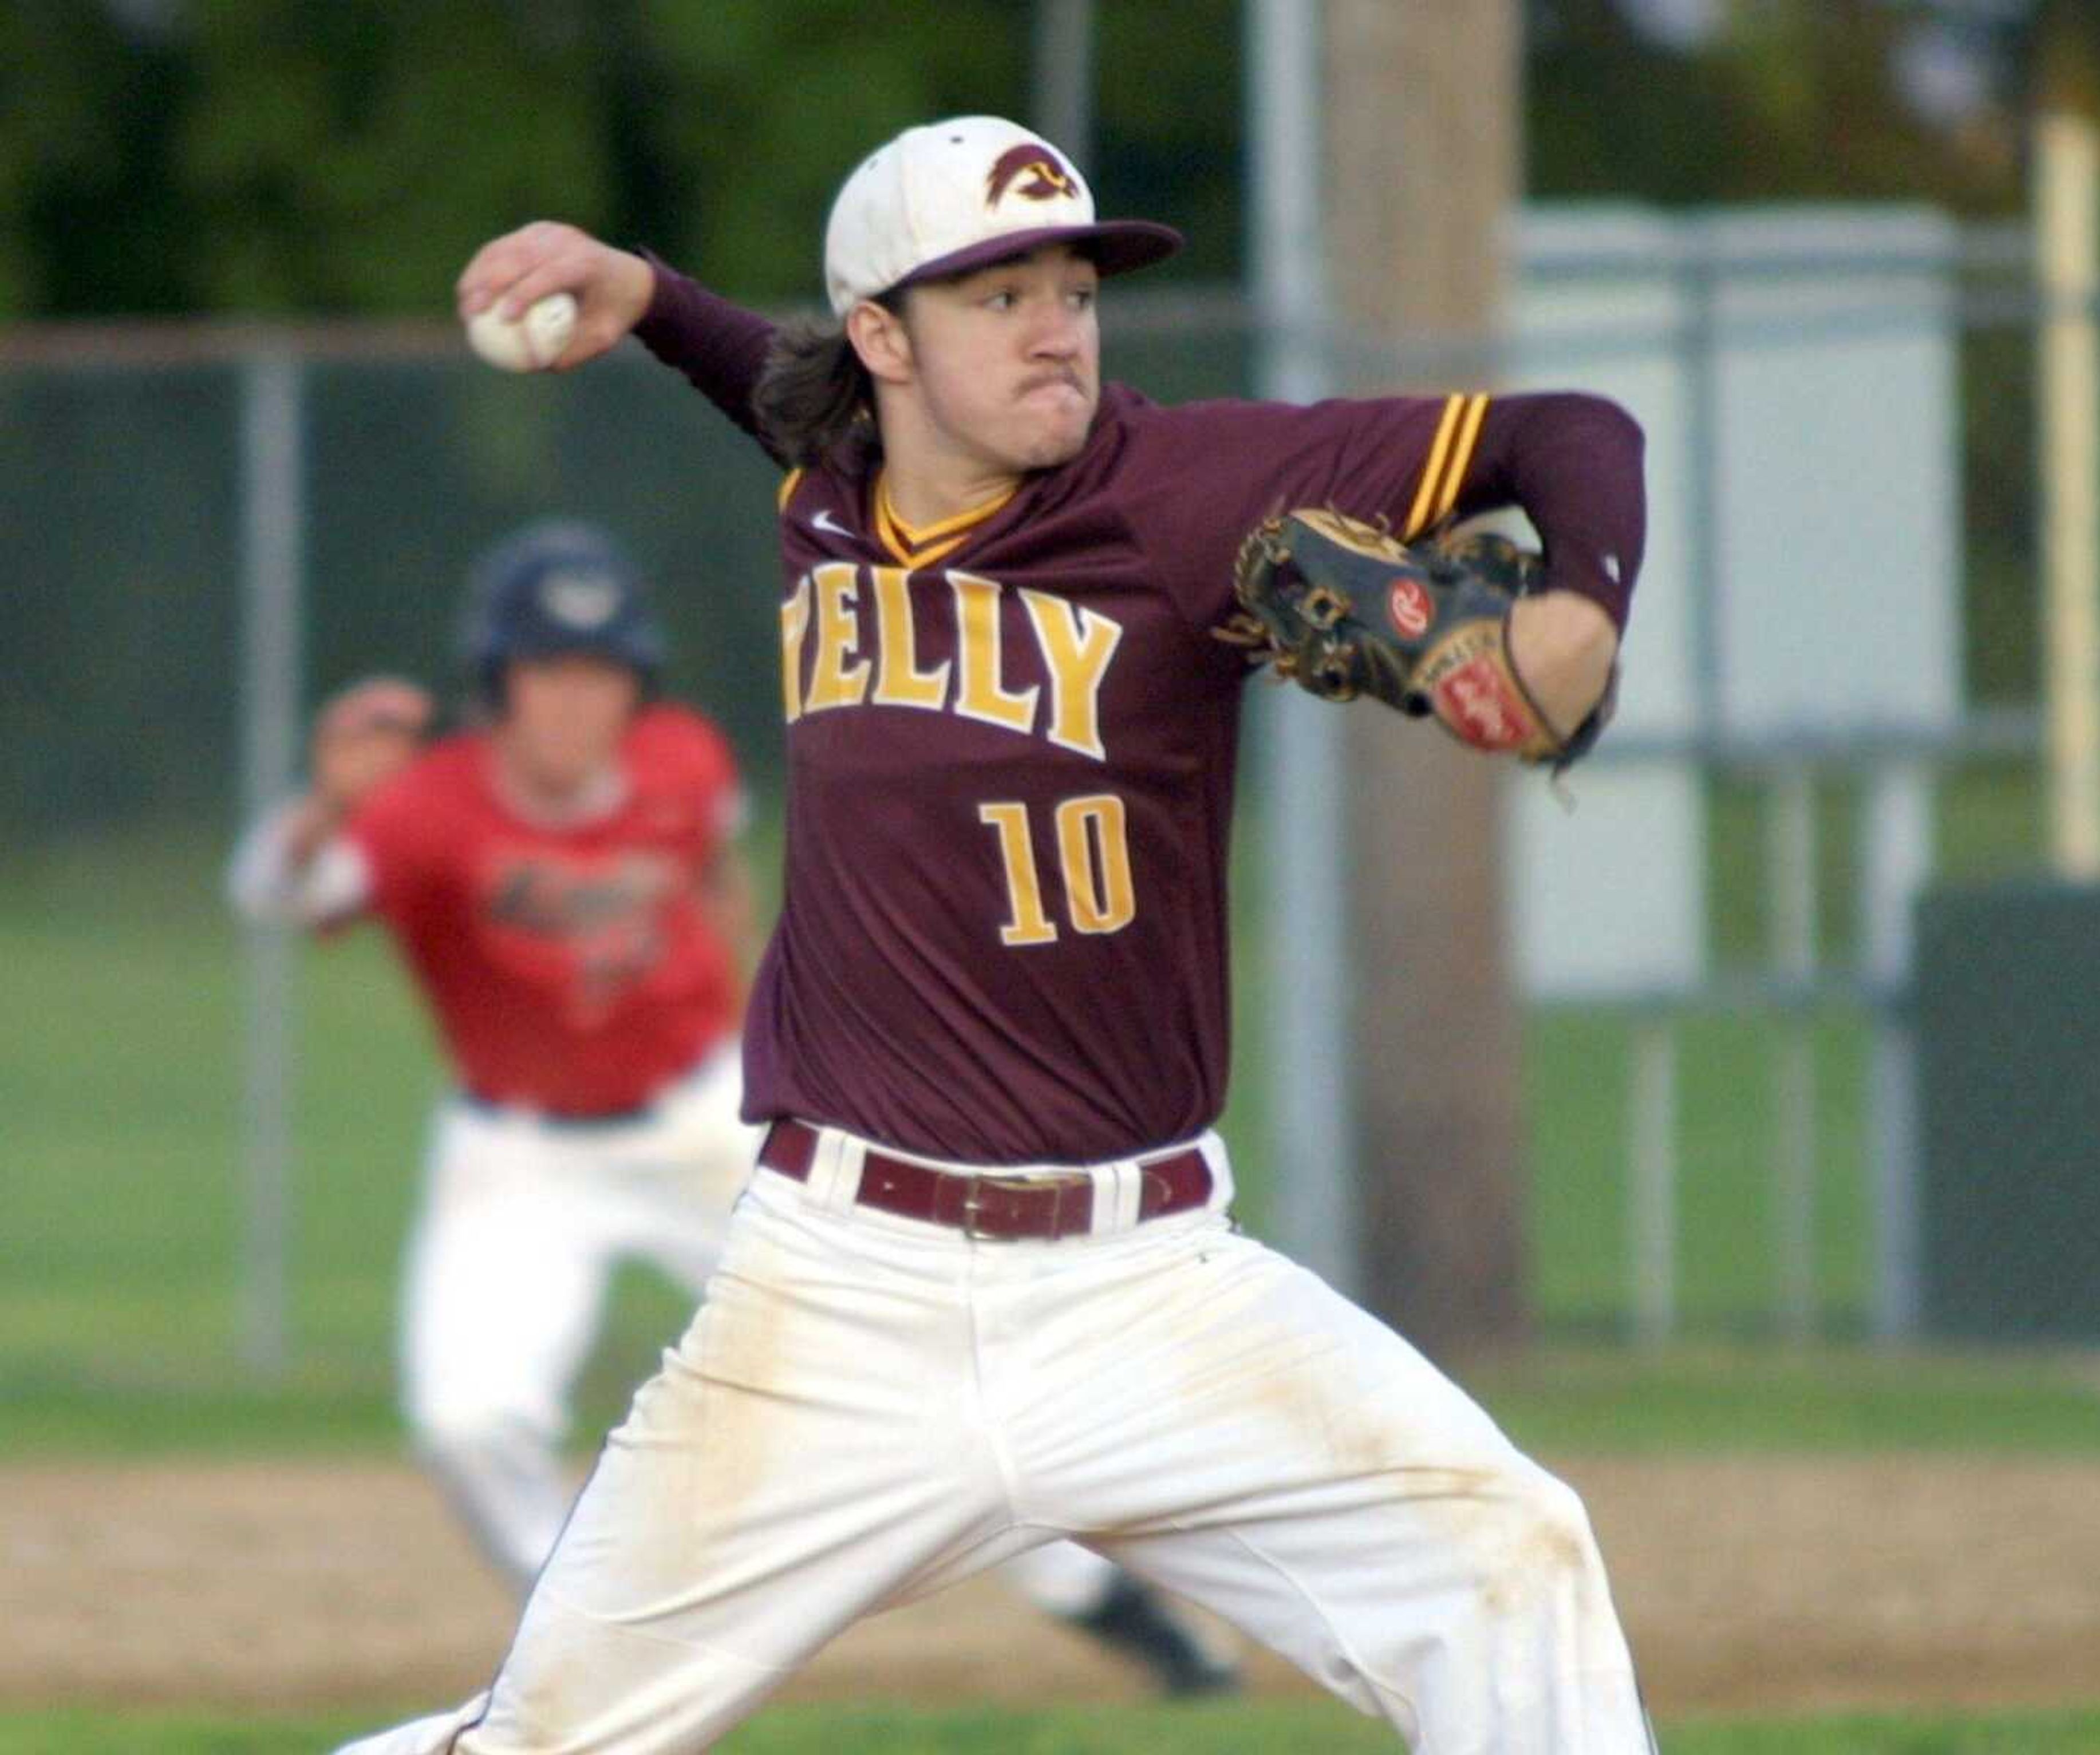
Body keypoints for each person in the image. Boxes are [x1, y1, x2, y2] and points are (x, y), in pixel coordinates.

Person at [339, 113, 1656, 1754]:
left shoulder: (1188, 496)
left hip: (1150, 1293)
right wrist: (653, 297)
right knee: (543, 1737)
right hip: (835, 1298)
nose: (1057, 324)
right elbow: (767, 371)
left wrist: (1581, 609)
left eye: (1073, 286)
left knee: (1512, 1562)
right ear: (883, 340)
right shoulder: (834, 479)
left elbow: (1566, 427)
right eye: (996, 292)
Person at [228, 517, 1235, 1697]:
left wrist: (779, 1035)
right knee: (470, 1419)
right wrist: (321, 810)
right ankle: (593, 1649)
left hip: (700, 1124)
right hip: (516, 1159)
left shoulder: (683, 762)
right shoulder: (426, 810)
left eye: (601, 675)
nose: (576, 703)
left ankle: (1098, 1598)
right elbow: (273, 897)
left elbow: (725, 882)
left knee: (910, 1360)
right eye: (547, 672)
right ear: (496, 683)